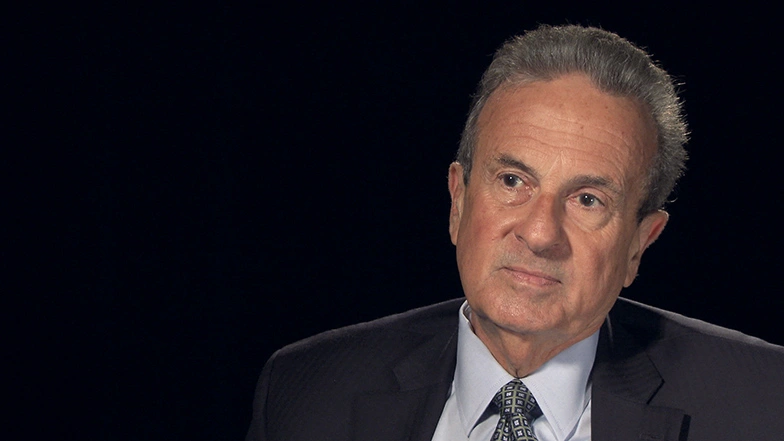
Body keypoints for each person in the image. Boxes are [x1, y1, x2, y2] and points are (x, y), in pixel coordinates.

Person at [245, 25, 784, 441]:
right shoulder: (305, 391)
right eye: (512, 180)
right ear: (458, 201)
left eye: (588, 200)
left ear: (639, 245)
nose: (540, 232)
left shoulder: (764, 404)